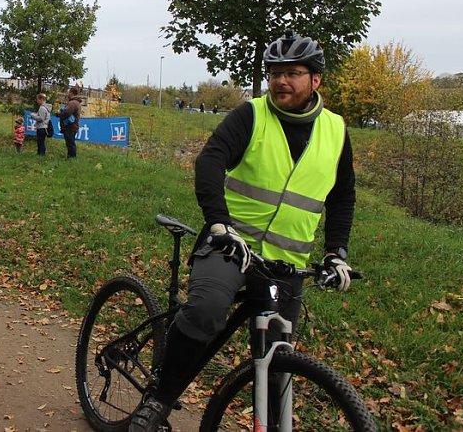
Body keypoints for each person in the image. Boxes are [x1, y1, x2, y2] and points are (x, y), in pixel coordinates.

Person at [129, 31, 357, 431]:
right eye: (275, 73)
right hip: (230, 246)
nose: (281, 80)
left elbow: (343, 197)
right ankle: (159, 399)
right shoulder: (251, 115)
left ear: (315, 80)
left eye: (292, 73)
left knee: (277, 358)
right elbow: (211, 162)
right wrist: (219, 223)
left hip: (285, 262)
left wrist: (336, 252)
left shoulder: (336, 131)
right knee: (205, 312)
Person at [58, 87, 82, 158]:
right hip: (72, 126)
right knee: (70, 143)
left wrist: (59, 114)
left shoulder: (72, 103)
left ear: (71, 93)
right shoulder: (76, 102)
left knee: (70, 143)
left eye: (68, 92)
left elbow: (67, 113)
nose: (67, 93)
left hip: (70, 126)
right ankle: (71, 157)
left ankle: (71, 158)